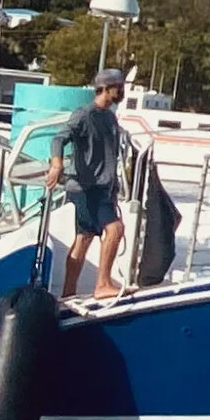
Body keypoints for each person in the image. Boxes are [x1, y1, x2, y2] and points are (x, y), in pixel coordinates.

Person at [46, 68, 129, 301]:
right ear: (105, 88)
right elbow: (59, 138)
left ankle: (67, 294)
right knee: (115, 229)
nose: (122, 91)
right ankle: (102, 284)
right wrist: (56, 165)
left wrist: (113, 189)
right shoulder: (85, 114)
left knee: (84, 238)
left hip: (103, 189)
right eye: (119, 87)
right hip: (86, 188)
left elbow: (111, 156)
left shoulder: (110, 117)